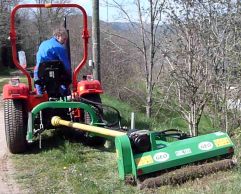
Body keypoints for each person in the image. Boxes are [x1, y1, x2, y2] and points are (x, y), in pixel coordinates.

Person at [34, 27, 72, 95]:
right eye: (64, 39)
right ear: (58, 36)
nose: (64, 41)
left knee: (37, 78)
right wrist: (70, 78)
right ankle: (65, 97)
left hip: (40, 74)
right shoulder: (60, 48)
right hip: (55, 77)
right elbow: (67, 67)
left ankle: (40, 96)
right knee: (65, 82)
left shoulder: (43, 44)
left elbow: (38, 60)